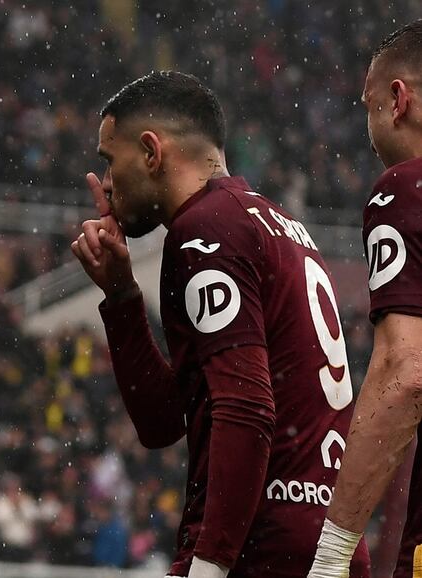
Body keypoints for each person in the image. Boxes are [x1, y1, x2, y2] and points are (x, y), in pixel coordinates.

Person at [70, 70, 370, 577]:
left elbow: (248, 409)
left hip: (262, 546)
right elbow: (164, 420)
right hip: (323, 544)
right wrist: (121, 296)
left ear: (150, 151)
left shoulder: (204, 230)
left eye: (109, 159)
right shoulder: (278, 225)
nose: (106, 182)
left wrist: (209, 566)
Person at [308, 20, 422, 578]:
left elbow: (406, 371)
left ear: (398, 99)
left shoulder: (406, 188)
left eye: (369, 106)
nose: (369, 124)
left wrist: (332, 555)